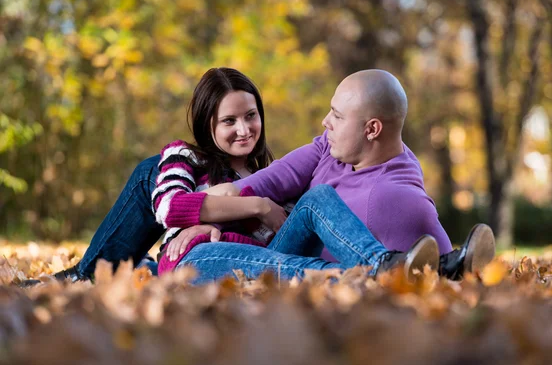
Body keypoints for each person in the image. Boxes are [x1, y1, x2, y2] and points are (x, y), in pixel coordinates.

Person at [19, 67, 442, 287]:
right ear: (208, 124)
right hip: (193, 260)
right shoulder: (183, 158)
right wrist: (250, 208)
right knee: (284, 263)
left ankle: (386, 268)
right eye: (229, 121)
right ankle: (377, 275)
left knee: (315, 207)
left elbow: (287, 236)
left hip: (263, 258)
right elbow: (169, 208)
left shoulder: (266, 170)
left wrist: (224, 219)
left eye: (251, 116)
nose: (244, 129)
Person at [166, 69, 496, 284]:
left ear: (372, 129)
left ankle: (378, 273)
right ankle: (385, 269)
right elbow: (242, 188)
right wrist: (211, 220)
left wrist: (213, 220)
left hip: (232, 258)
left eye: (337, 115)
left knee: (204, 258)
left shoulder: (396, 197)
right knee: (315, 203)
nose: (325, 121)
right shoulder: (329, 146)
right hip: (211, 256)